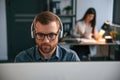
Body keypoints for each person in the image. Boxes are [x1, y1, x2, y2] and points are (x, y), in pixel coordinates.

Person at [14, 11, 80, 62]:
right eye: (40, 35)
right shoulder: (22, 59)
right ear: (33, 34)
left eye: (51, 35)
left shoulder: (71, 57)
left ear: (59, 34)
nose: (46, 40)